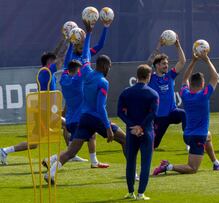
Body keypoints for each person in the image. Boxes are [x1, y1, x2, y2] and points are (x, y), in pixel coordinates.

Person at [44, 22, 125, 184]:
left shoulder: (71, 75)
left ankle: (51, 172)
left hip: (83, 117)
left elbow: (75, 60)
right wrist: (90, 32)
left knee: (72, 150)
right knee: (125, 140)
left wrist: (72, 40)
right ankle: (133, 173)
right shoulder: (90, 75)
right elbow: (101, 107)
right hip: (92, 116)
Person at [152, 50, 219, 176]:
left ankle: (216, 164)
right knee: (192, 168)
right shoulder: (204, 96)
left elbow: (184, 79)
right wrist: (207, 59)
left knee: (208, 136)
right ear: (203, 84)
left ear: (190, 84)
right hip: (197, 137)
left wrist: (193, 61)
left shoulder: (185, 94)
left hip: (187, 136)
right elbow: (215, 77)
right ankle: (168, 166)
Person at [0, 37, 69, 165]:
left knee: (34, 144)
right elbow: (60, 59)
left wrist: (64, 39)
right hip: (46, 112)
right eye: (52, 60)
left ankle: (4, 151)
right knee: (68, 125)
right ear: (49, 62)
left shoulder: (46, 71)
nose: (56, 62)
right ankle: (69, 153)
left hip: (46, 110)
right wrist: (69, 43)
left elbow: (56, 54)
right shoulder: (46, 71)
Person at [118, 64, 159, 200]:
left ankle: (130, 192)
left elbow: (120, 113)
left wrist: (132, 125)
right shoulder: (153, 94)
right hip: (146, 131)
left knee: (131, 162)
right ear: (148, 76)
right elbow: (153, 114)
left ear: (137, 75)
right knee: (145, 162)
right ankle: (141, 194)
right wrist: (141, 127)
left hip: (131, 132)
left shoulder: (126, 92)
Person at [147, 37, 186, 149]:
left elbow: (182, 62)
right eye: (164, 63)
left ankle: (188, 140)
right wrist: (158, 46)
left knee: (184, 114)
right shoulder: (151, 78)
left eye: (167, 63)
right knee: (154, 145)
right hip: (160, 116)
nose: (166, 65)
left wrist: (178, 46)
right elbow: (149, 63)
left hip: (172, 112)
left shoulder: (170, 76)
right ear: (157, 65)